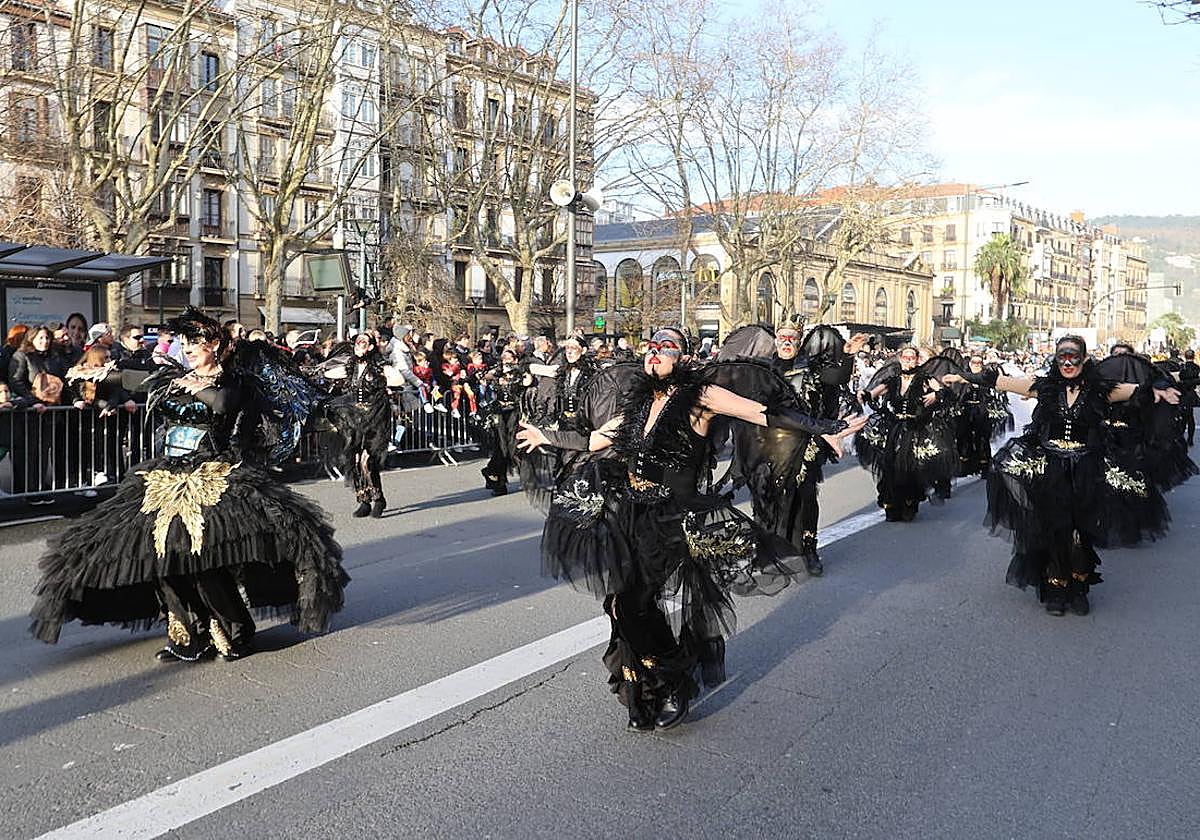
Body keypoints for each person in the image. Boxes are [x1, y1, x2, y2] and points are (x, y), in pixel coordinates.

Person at [517, 327, 866, 731]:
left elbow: (761, 413)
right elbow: (596, 439)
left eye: (666, 348)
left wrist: (823, 428)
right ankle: (656, 682)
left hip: (673, 515)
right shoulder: (639, 399)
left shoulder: (701, 395)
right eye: (651, 346)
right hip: (632, 510)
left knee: (633, 602)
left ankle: (671, 681)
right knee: (621, 605)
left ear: (682, 357)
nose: (655, 353)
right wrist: (546, 436)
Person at [30, 307, 349, 660]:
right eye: (183, 341)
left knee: (203, 561)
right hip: (165, 477)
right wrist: (101, 373)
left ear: (214, 344)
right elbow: (134, 379)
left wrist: (195, 386)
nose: (187, 347)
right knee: (160, 558)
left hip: (211, 476)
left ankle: (234, 630)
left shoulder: (233, 380)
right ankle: (187, 634)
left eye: (194, 341)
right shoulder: (175, 376)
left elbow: (223, 404)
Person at [946, 335, 1174, 616]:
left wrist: (1160, 386)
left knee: (1081, 534)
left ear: (1084, 360)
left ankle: (1079, 588)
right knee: (1055, 530)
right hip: (1052, 469)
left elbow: (1138, 388)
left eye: (1073, 357)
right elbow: (1001, 382)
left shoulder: (1101, 390)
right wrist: (964, 377)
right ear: (1055, 359)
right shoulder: (1044, 388)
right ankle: (1056, 588)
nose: (1067, 363)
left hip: (1087, 470)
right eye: (1062, 357)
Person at [856, 346, 956, 522]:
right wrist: (862, 395)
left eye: (912, 358)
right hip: (894, 427)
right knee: (890, 466)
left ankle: (909, 503)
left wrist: (936, 396)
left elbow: (945, 392)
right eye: (905, 357)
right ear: (900, 359)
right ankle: (892, 505)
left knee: (910, 468)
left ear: (917, 360)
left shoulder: (925, 379)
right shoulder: (892, 380)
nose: (909, 361)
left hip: (915, 427)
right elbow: (872, 393)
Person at [320, 332, 399, 517]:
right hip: (354, 419)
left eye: (363, 342)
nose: (359, 345)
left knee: (367, 460)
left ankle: (379, 499)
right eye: (357, 342)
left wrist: (384, 383)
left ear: (371, 347)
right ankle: (363, 500)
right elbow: (330, 373)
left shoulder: (380, 366)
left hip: (375, 419)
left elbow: (398, 379)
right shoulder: (351, 365)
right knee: (354, 461)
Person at [479, 347, 525, 495]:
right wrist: (492, 375)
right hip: (499, 413)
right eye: (503, 357)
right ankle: (499, 482)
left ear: (515, 359)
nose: (506, 360)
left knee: (514, 447)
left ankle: (527, 477)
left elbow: (527, 382)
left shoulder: (520, 373)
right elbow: (484, 376)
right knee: (501, 447)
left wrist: (519, 373)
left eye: (509, 358)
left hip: (514, 413)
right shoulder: (497, 371)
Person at [1180, 349, 1199, 446]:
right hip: (1191, 394)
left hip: (1183, 394)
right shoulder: (1197, 368)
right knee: (1190, 417)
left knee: (1183, 417)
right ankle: (1190, 439)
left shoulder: (1182, 367)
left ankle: (1181, 437)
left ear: (1185, 356)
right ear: (1193, 356)